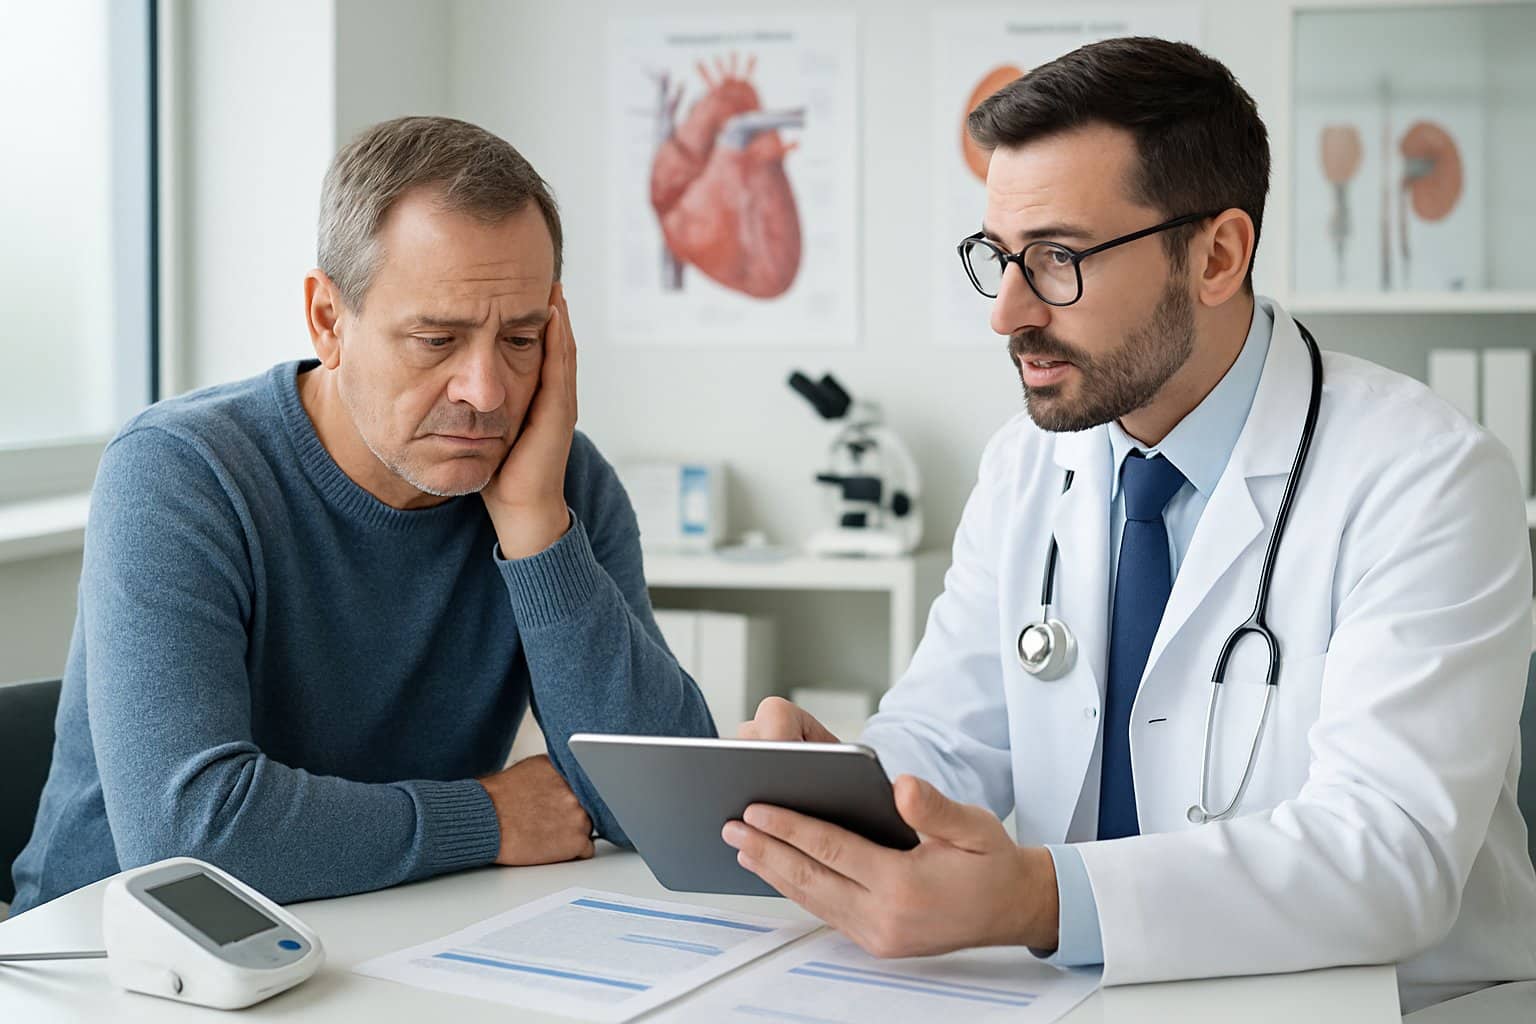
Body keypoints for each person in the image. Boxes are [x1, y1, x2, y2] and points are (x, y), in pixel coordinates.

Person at [726, 38, 1536, 1013]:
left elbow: (1389, 853)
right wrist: (847, 791)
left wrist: (1040, 896)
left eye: (1058, 258)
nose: (1008, 313)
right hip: (1090, 996)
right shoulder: (1027, 464)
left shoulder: (1428, 478)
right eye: (1000, 258)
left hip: (1389, 1004)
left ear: (1217, 255)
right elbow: (946, 737)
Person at [11, 116, 714, 914]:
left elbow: (667, 811)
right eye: (435, 339)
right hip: (112, 957)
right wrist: (486, 817)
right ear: (327, 321)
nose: (486, 393)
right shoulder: (180, 471)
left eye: (521, 339)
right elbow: (188, 838)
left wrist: (536, 528)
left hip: (376, 935)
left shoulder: (558, 485)